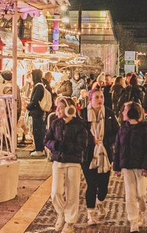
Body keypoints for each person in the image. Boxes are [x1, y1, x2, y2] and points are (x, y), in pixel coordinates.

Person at [45, 97, 91, 233]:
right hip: (58, 161)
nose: (57, 110)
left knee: (72, 193)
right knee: (55, 192)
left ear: (68, 108)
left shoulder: (80, 124)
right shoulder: (55, 123)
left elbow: (83, 144)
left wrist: (68, 147)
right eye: (57, 107)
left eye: (60, 107)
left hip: (73, 162)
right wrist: (56, 145)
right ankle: (61, 213)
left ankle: (70, 221)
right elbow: (47, 140)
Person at [113, 102, 147, 233]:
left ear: (132, 113)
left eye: (125, 110)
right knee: (130, 195)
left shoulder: (144, 130)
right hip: (127, 166)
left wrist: (146, 166)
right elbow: (118, 148)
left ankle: (141, 211)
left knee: (141, 194)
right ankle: (133, 220)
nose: (123, 113)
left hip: (140, 167)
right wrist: (117, 167)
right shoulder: (122, 129)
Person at [81, 89, 118, 224]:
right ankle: (91, 214)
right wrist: (91, 141)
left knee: (103, 187)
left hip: (105, 154)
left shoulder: (109, 113)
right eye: (97, 97)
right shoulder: (83, 114)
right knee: (91, 185)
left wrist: (106, 141)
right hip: (88, 155)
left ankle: (100, 202)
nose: (100, 100)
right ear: (90, 99)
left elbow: (116, 132)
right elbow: (80, 133)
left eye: (101, 97)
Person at [26, 69, 50, 157]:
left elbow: (35, 100)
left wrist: (28, 106)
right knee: (38, 130)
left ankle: (39, 149)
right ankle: (39, 148)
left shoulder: (38, 87)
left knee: (38, 130)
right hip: (39, 113)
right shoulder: (40, 85)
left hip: (37, 113)